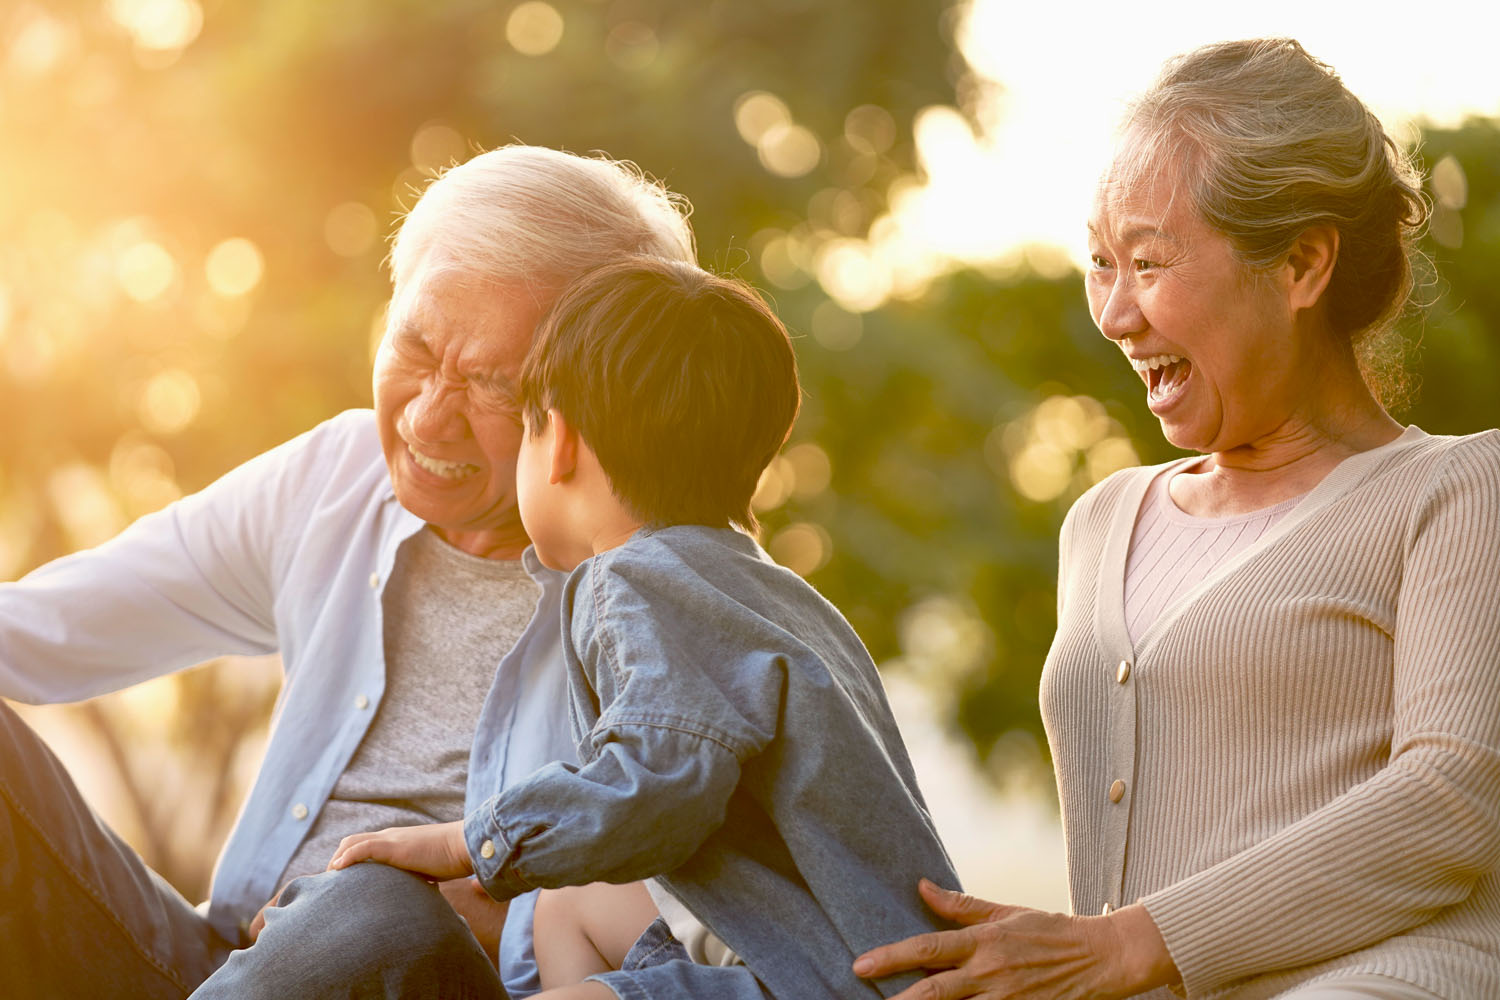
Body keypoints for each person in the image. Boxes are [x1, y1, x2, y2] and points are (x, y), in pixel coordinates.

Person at [854, 38, 1500, 1000]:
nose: (1113, 314)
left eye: (1149, 262)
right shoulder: (1102, 522)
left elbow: (1454, 801)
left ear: (1302, 261)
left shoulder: (1459, 492)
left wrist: (1126, 945)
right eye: (1099, 264)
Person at [0, 145, 697, 1000]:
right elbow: (42, 631)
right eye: (415, 347)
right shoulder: (333, 477)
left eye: (491, 386)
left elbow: (793, 881)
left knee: (380, 905)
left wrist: (908, 946)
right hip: (222, 967)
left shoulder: (678, 597)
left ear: (596, 403)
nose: (427, 418)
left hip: (420, 971)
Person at [325, 256, 963, 1000]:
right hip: (845, 947)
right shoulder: (771, 591)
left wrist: (466, 841)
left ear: (556, 440)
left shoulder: (630, 579)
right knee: (564, 908)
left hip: (813, 979)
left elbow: (657, 784)